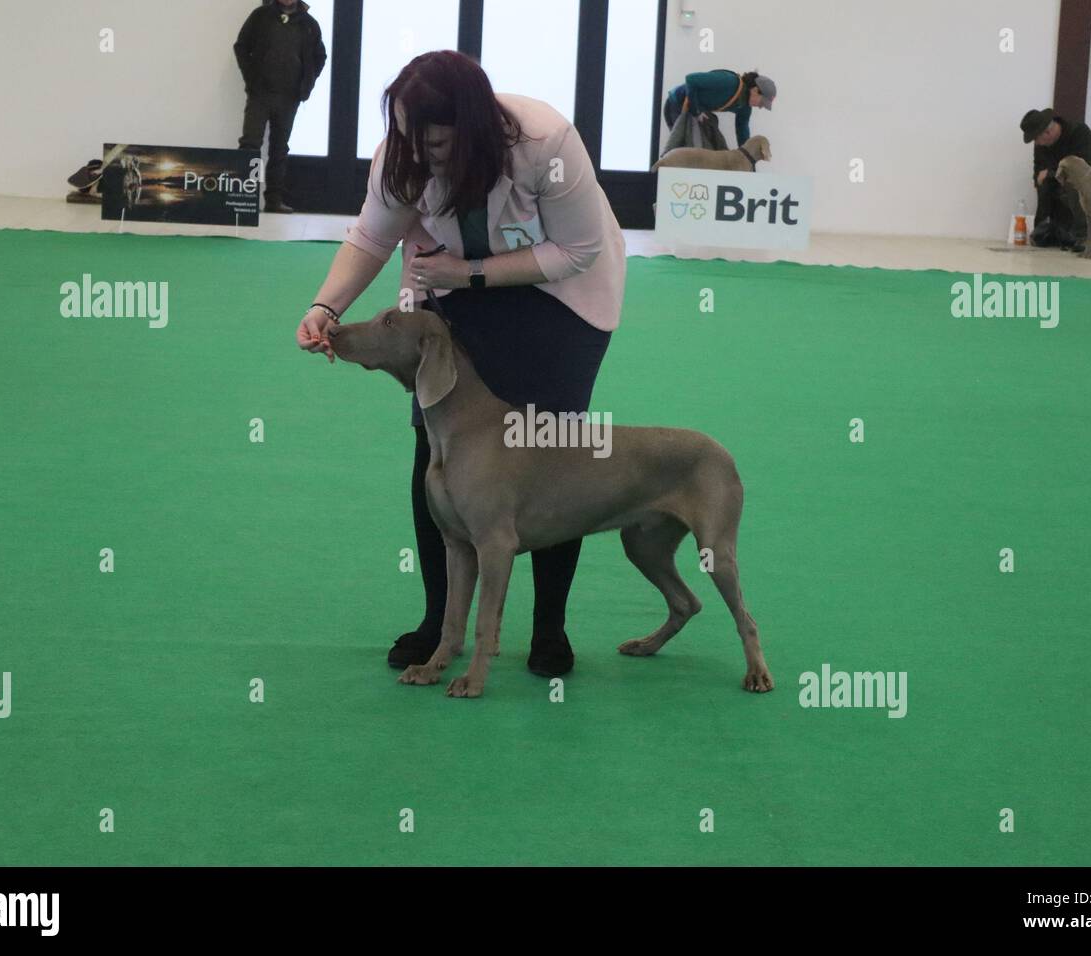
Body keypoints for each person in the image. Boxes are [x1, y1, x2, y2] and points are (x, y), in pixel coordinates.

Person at [296, 51, 627, 677]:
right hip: (452, 288)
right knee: (439, 446)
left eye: (438, 142)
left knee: (550, 447)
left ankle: (549, 629)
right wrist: (324, 305)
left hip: (560, 293)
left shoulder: (545, 140)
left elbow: (577, 249)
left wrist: (470, 273)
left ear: (473, 127)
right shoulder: (404, 153)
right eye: (408, 136)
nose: (421, 152)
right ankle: (438, 622)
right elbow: (371, 237)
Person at [234, 0, 327, 214]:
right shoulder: (260, 16)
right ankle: (242, 199)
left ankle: (273, 201)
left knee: (279, 148)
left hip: (289, 97)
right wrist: (251, 78)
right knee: (250, 144)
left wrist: (307, 83)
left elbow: (320, 56)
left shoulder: (309, 24)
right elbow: (241, 46)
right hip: (260, 94)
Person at [1020, 107, 1091, 254]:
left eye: (1037, 138)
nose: (1037, 143)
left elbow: (1083, 169)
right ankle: (1053, 230)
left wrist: (1050, 174)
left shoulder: (1078, 132)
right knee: (1056, 186)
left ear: (1048, 132)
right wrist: (1044, 178)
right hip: (1064, 183)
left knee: (1075, 186)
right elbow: (1038, 174)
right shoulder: (1042, 146)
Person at [661, 69, 776, 154]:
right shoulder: (729, 81)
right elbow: (691, 79)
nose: (760, 107)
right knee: (687, 152)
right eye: (762, 103)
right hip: (677, 105)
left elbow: (743, 134)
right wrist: (696, 111)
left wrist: (748, 159)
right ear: (755, 90)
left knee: (711, 148)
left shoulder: (745, 107)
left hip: (697, 112)